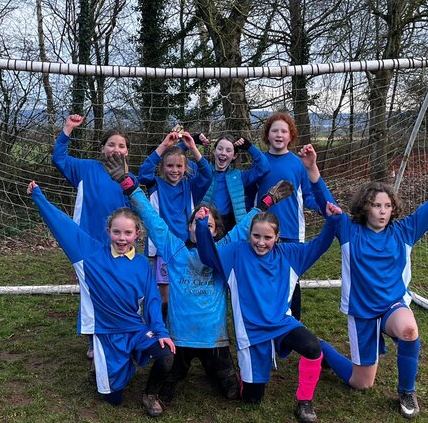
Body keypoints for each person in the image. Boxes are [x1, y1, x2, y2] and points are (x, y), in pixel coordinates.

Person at [103, 152, 293, 404]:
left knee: (231, 392)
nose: (201, 225)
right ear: (189, 227)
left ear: (216, 231)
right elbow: (152, 219)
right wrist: (129, 184)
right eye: (197, 221)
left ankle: (214, 370)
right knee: (166, 391)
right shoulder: (175, 250)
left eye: (208, 223)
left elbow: (245, 226)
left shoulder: (224, 251)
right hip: (179, 338)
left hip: (214, 339)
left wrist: (266, 202)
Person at [315, 157, 428, 419]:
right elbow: (326, 202)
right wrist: (312, 169)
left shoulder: (404, 231)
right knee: (361, 383)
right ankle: (322, 350)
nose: (382, 211)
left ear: (393, 210)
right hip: (362, 310)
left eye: (387, 206)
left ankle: (406, 391)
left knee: (409, 330)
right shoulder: (347, 230)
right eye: (376, 205)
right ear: (365, 208)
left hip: (392, 304)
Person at [27, 180, 175, 418]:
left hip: (135, 329)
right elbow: (63, 226)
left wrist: (161, 331)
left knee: (166, 356)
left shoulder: (142, 264)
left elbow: (153, 301)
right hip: (106, 333)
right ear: (108, 232)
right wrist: (39, 197)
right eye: (116, 232)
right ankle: (103, 369)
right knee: (112, 398)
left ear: (137, 234)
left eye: (128, 232)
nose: (122, 237)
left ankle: (150, 394)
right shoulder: (89, 254)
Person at [195, 196, 342, 423]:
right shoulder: (235, 253)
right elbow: (207, 255)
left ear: (277, 237)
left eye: (267, 237)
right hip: (251, 333)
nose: (261, 242)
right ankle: (241, 375)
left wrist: (332, 222)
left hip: (282, 324)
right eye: (256, 236)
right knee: (252, 400)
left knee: (312, 347)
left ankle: (304, 403)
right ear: (249, 235)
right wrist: (203, 227)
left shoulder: (290, 254)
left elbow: (319, 246)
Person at [51, 114, 137, 359]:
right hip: (89, 241)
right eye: (111, 144)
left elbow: (139, 201)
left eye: (121, 145)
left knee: (120, 288)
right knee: (92, 290)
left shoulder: (129, 179)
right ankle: (93, 337)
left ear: (127, 152)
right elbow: (59, 159)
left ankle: (122, 332)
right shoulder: (85, 168)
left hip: (120, 243)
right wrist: (67, 129)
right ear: (102, 148)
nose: (116, 149)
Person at [249, 112, 335, 321]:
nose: (279, 135)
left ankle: (293, 325)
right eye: (274, 130)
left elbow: (308, 197)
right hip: (262, 234)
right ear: (267, 135)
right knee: (264, 281)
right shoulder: (260, 162)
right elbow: (250, 197)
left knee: (290, 282)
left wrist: (324, 208)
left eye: (284, 131)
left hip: (290, 233)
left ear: (290, 136)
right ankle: (266, 322)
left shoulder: (298, 164)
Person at [138, 127, 213, 319]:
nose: (175, 170)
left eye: (179, 166)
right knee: (164, 296)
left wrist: (193, 148)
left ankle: (179, 327)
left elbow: (207, 174)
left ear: (185, 168)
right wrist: (164, 145)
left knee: (183, 289)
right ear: (163, 167)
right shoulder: (154, 184)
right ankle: (158, 327)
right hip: (162, 246)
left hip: (184, 246)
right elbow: (143, 172)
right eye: (170, 166)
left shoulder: (190, 186)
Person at [201, 134, 271, 232]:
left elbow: (264, 167)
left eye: (228, 150)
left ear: (234, 155)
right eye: (220, 149)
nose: (223, 153)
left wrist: (249, 147)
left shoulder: (239, 176)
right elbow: (179, 161)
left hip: (230, 225)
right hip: (207, 222)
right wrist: (191, 143)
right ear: (214, 151)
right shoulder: (205, 172)